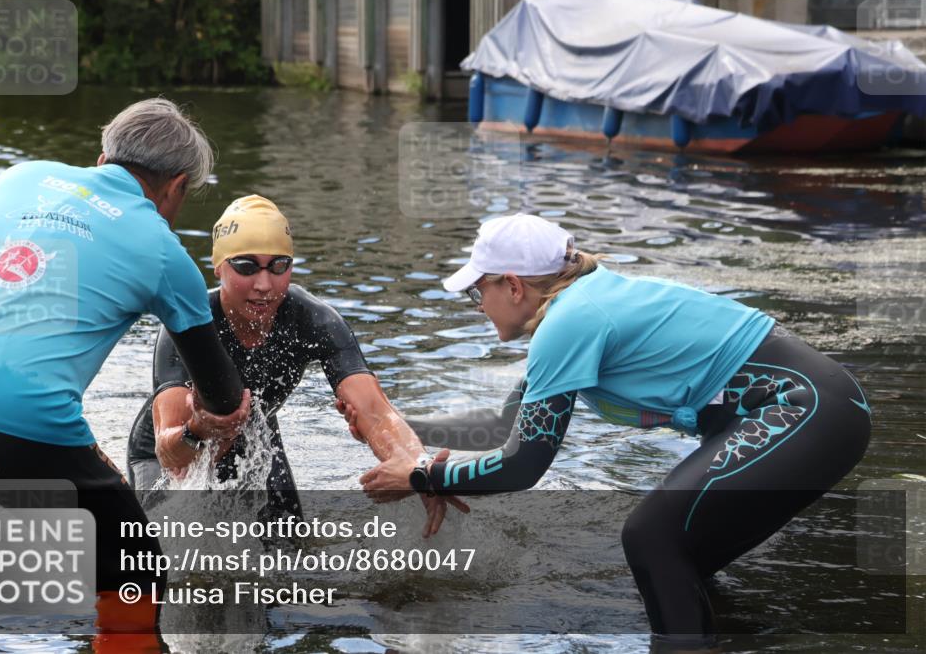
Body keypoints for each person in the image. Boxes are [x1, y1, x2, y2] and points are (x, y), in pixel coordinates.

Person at [346, 213, 872, 648]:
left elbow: (523, 464)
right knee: (679, 562)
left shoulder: (569, 323)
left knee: (653, 537)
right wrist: (400, 429)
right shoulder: (576, 306)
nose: (477, 305)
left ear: (512, 285)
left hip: (804, 409)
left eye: (476, 292)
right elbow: (508, 425)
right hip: (821, 407)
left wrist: (422, 477)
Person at [0, 98, 250, 647]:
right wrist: (220, 415)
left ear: (103, 156)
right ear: (176, 186)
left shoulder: (18, 178)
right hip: (24, 423)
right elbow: (221, 393)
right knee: (135, 562)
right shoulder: (163, 249)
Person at [127, 195, 467, 535]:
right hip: (170, 447)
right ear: (219, 267)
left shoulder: (312, 320)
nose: (264, 285)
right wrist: (199, 429)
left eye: (278, 266)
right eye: (246, 266)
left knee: (288, 556)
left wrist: (418, 467)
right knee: (164, 554)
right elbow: (170, 456)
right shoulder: (190, 324)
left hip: (257, 436)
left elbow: (375, 411)